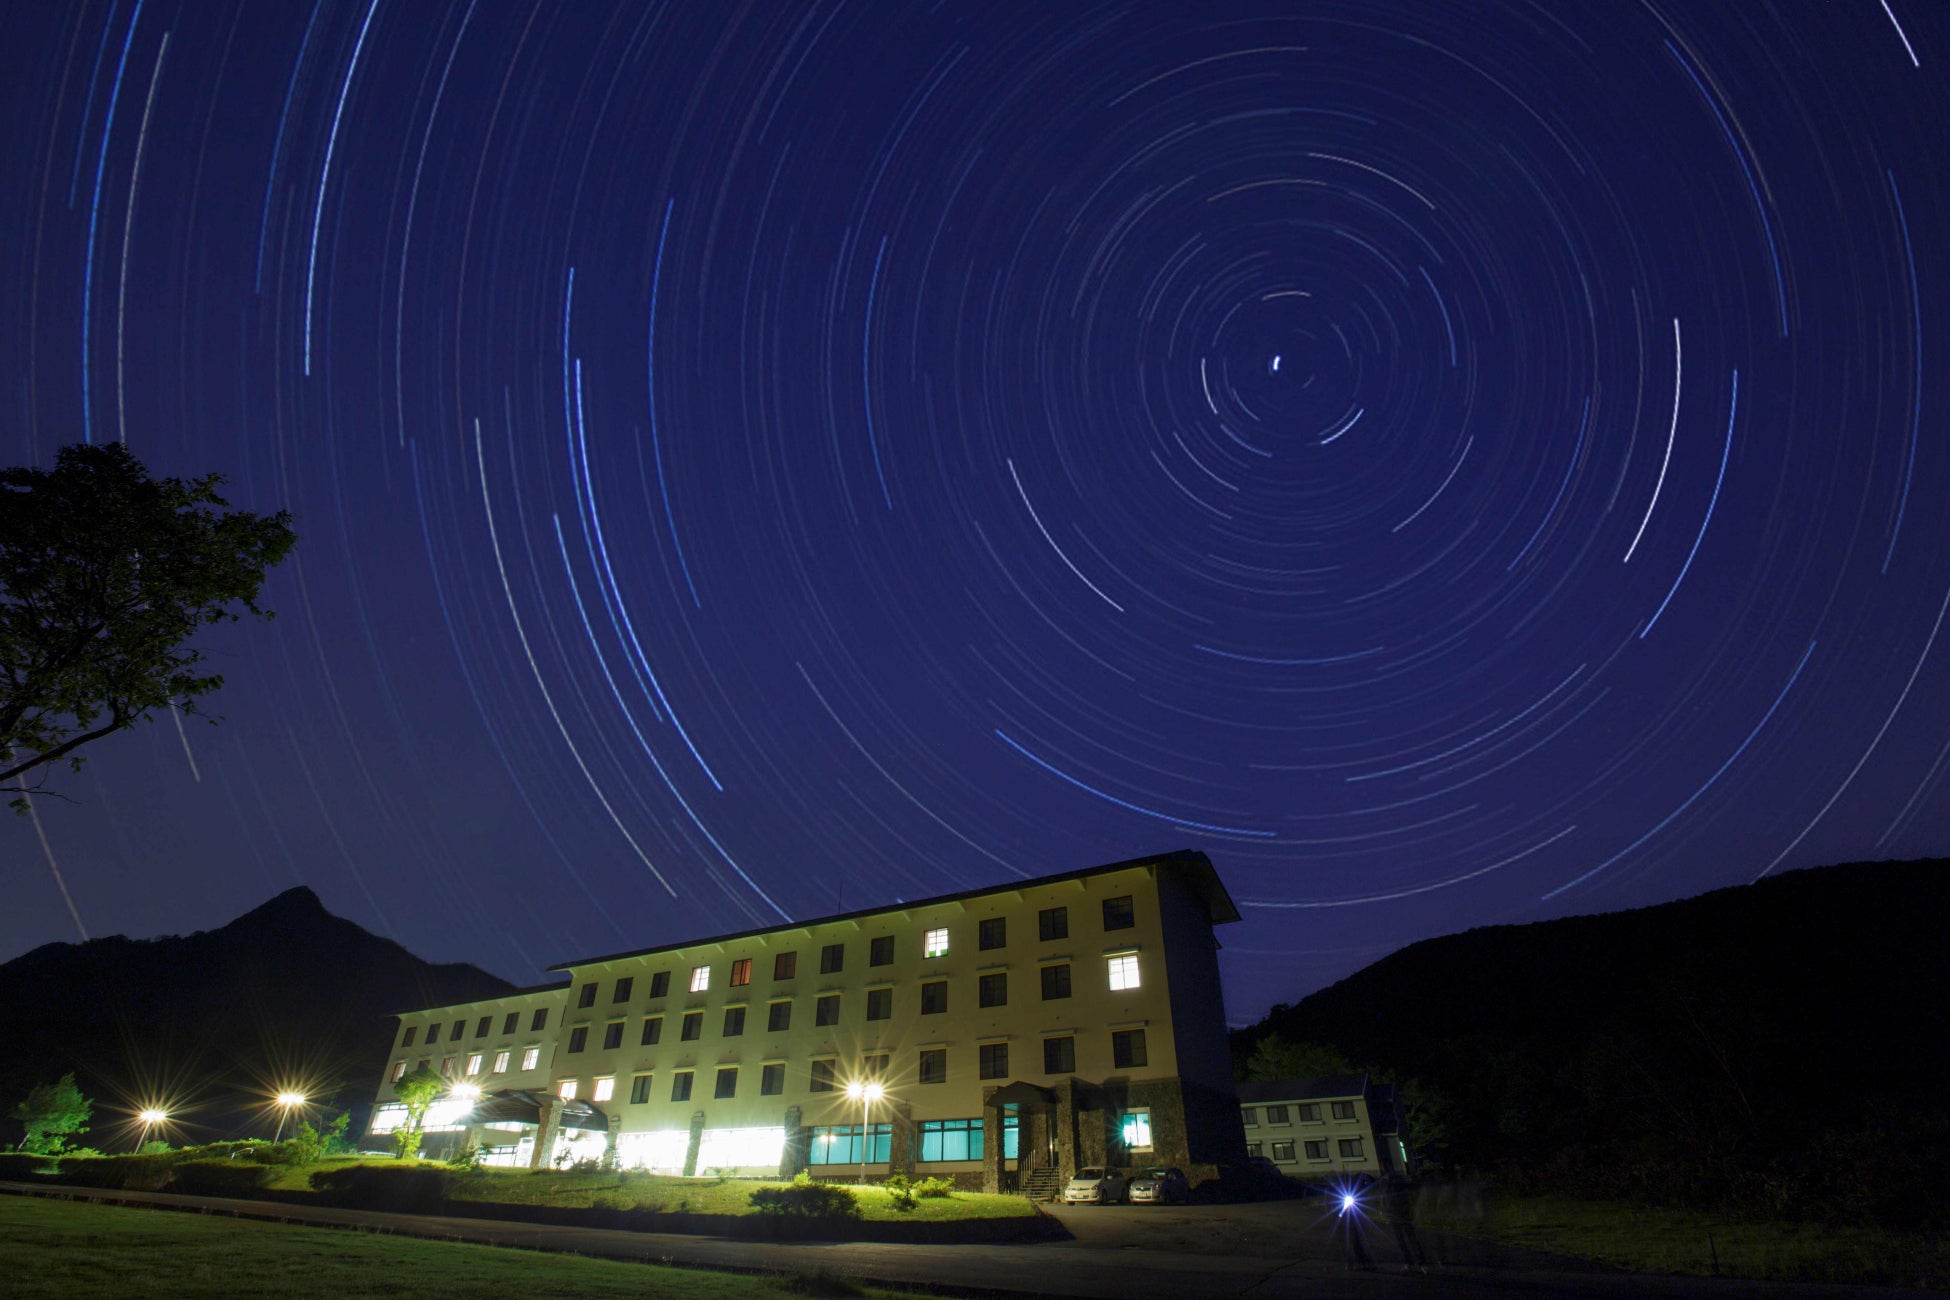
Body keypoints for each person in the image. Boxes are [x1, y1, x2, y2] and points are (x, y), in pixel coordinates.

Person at [1382, 1171, 1428, 1270]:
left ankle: (1417, 1262)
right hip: (1398, 1215)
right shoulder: (1390, 1186)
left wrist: (1388, 1214)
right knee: (1406, 1239)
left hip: (1400, 1214)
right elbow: (1386, 1202)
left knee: (1407, 1239)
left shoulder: (1393, 1186)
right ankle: (1415, 1262)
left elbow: (1387, 1202)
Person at [1337, 1177, 1377, 1271]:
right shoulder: (1349, 1196)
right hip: (1350, 1220)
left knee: (1357, 1241)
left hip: (1355, 1220)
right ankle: (1356, 1263)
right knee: (1352, 1242)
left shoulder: (1353, 1196)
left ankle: (1365, 1263)